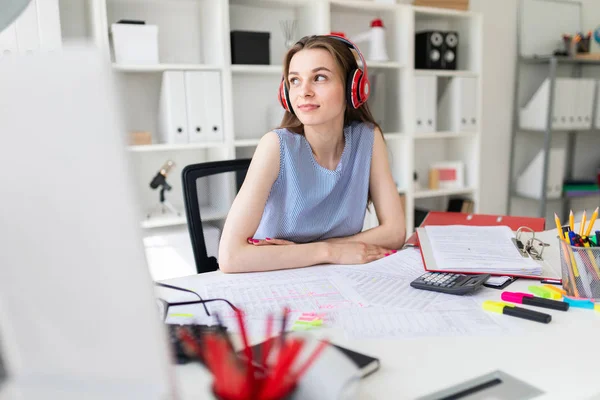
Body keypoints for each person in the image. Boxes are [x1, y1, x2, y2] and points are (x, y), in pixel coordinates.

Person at [218, 34, 405, 273]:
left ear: (352, 88)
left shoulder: (368, 138)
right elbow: (230, 257)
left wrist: (319, 250)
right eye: (295, 80)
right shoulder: (275, 146)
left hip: (335, 274)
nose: (303, 91)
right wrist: (329, 251)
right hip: (273, 276)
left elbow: (395, 232)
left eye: (319, 78)